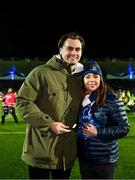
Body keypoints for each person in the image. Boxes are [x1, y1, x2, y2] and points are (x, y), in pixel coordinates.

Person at [16, 32, 85, 179]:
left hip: (66, 154)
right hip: (40, 150)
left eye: (77, 49)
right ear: (60, 49)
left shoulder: (81, 79)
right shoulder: (40, 73)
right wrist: (49, 124)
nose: (73, 52)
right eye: (69, 48)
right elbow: (23, 101)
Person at [77, 61, 130, 179]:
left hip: (105, 159)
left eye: (95, 76)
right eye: (88, 76)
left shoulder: (112, 99)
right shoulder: (78, 99)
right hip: (84, 158)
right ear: (83, 79)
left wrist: (98, 132)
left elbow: (124, 128)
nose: (92, 80)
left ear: (100, 78)